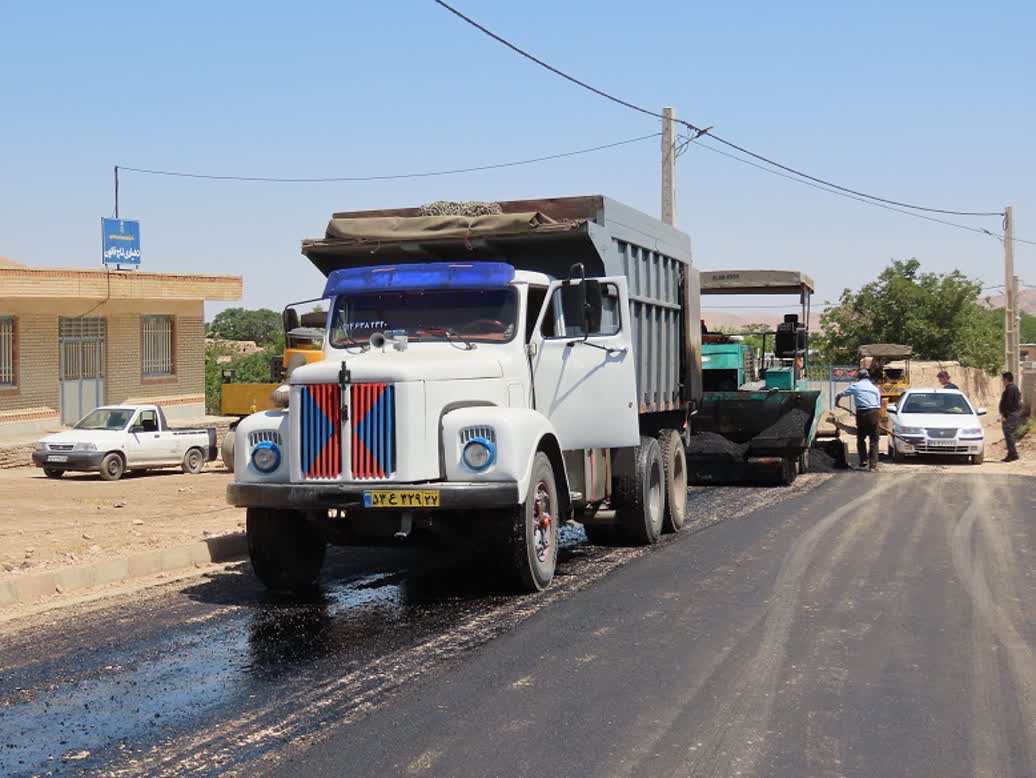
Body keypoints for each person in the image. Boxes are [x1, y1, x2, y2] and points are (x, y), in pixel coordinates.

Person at [837, 368, 883, 471]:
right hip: (874, 413)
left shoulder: (856, 386)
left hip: (862, 414)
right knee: (874, 440)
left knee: (861, 438)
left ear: (858, 378)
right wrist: (876, 420)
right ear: (868, 377)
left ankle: (863, 460)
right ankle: (873, 466)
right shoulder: (874, 388)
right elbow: (879, 405)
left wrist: (837, 402)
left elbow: (840, 394)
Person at [1000, 371, 1022, 462]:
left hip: (1010, 414)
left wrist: (1005, 415)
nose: (1002, 381)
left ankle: (1013, 454)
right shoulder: (1015, 388)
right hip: (1014, 413)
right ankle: (1011, 453)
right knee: (1010, 434)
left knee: (1008, 434)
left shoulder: (1010, 389)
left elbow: (1008, 403)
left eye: (1003, 379)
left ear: (1006, 379)